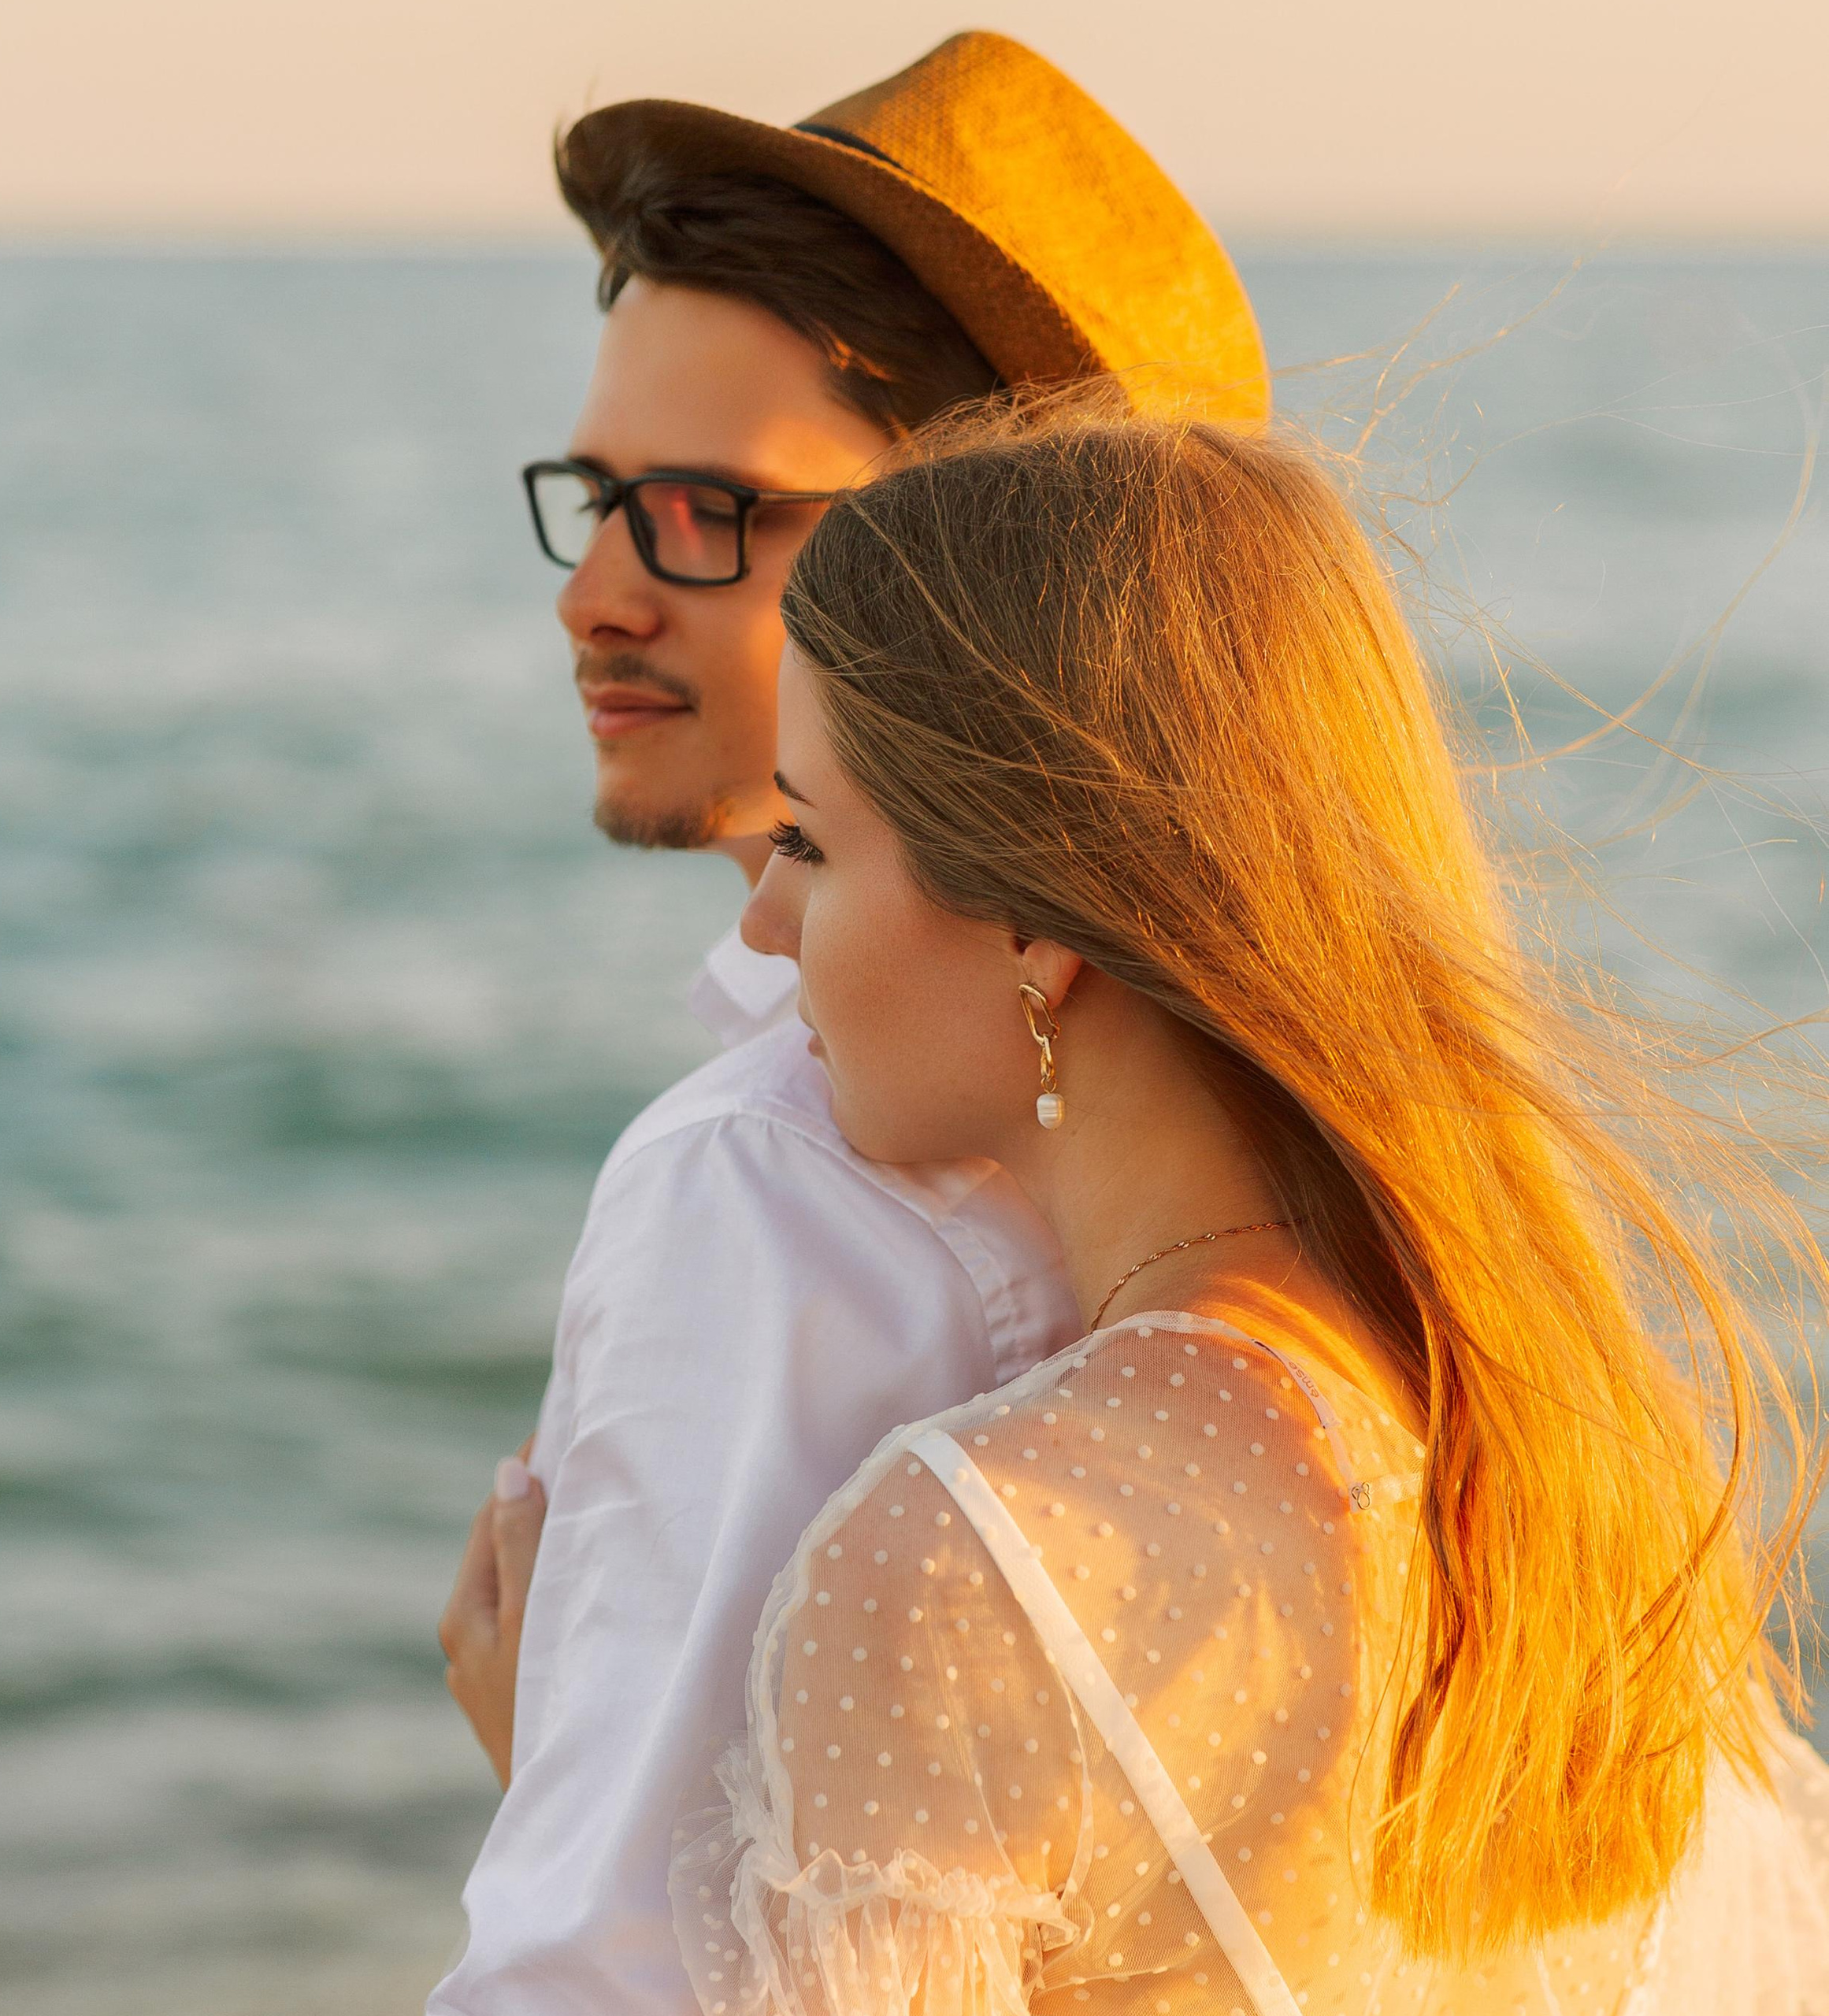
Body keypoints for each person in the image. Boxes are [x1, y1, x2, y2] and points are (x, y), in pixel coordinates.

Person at [670, 399, 1829, 2012]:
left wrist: (570, 1792)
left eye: (807, 833)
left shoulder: (973, 1555)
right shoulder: (1557, 1478)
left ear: (1025, 916)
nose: (770, 921)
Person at [429, 33, 1270, 2014]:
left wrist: (563, 1795)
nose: (598, 595)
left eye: (714, 510)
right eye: (599, 496)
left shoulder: (765, 1181)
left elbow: (605, 1985)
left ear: (991, 583)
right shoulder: (1326, 1186)